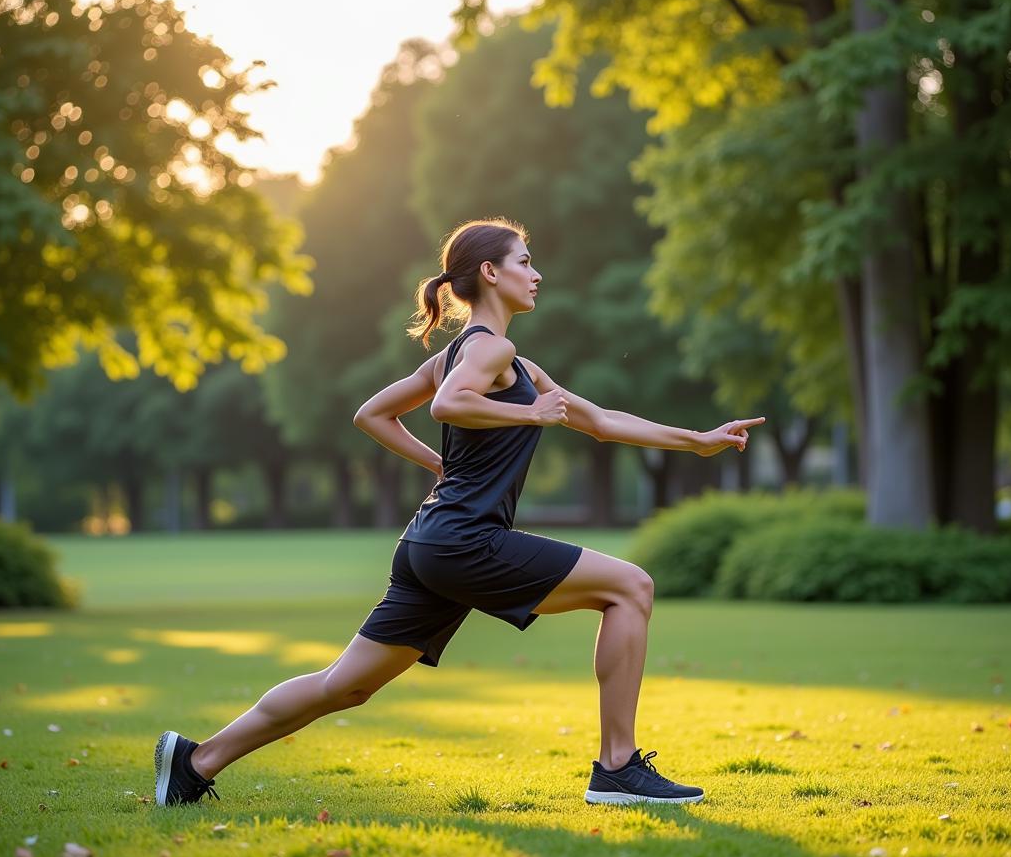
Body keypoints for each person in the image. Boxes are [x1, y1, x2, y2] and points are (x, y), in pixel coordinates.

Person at [154, 217, 765, 808]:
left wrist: (699, 439)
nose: (537, 274)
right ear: (490, 272)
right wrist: (525, 416)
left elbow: (598, 421)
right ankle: (618, 768)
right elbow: (449, 405)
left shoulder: (498, 362)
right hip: (464, 541)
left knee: (346, 685)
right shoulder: (490, 351)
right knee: (630, 588)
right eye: (525, 262)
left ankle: (195, 762)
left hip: (431, 543)